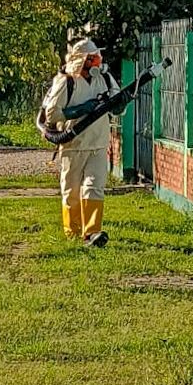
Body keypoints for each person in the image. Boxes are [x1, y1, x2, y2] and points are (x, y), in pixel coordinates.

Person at [43, 38, 120, 247]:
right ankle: (73, 233)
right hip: (73, 145)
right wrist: (79, 110)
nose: (98, 61)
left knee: (94, 187)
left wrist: (119, 104)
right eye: (93, 58)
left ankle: (91, 233)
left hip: (98, 143)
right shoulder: (66, 82)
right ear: (83, 60)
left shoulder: (104, 78)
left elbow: (117, 105)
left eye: (98, 57)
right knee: (72, 191)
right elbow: (52, 114)